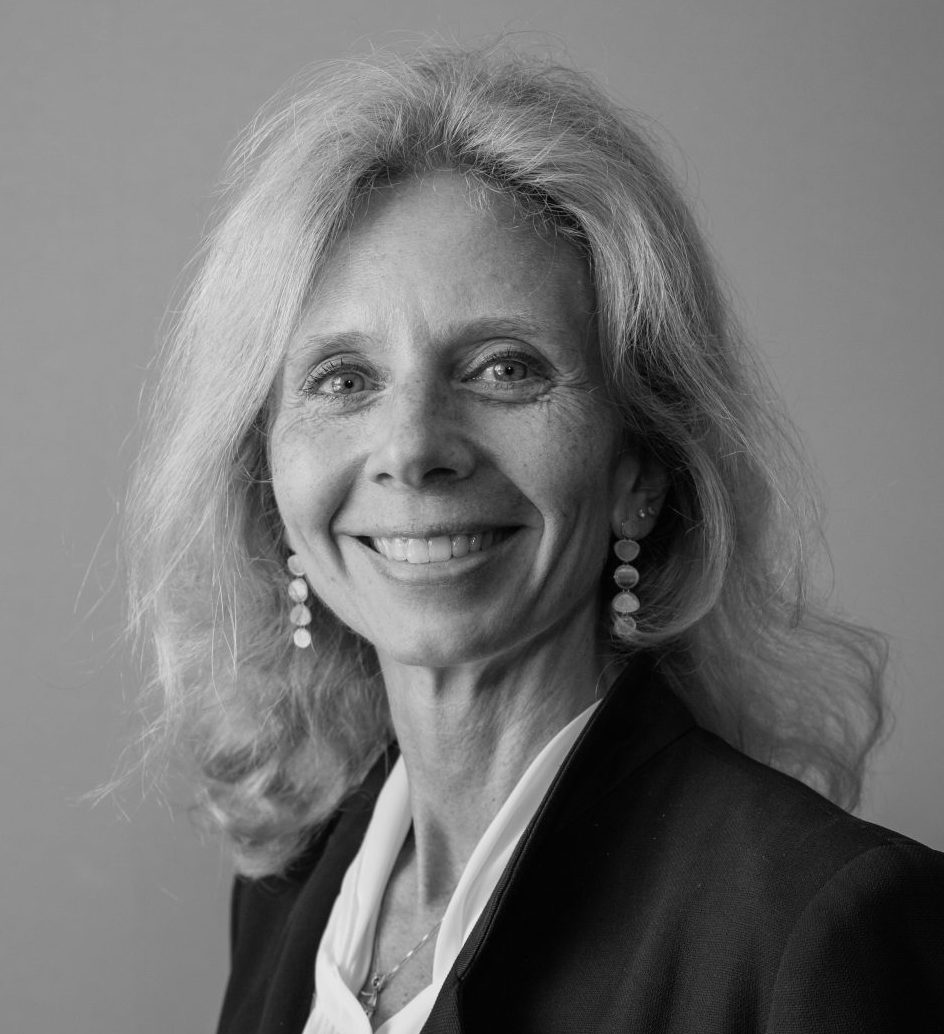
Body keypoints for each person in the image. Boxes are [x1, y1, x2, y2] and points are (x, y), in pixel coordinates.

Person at [126, 42, 944, 1033]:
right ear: (267, 482)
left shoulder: (817, 924)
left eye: (504, 368)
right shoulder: (291, 887)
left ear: (641, 469)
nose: (413, 449)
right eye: (343, 379)